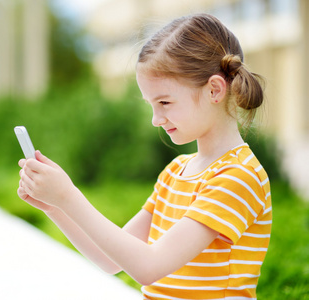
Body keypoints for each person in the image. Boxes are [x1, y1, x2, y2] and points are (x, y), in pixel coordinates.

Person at [17, 13, 271, 300]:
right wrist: (55, 207)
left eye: (164, 102)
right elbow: (111, 261)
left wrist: (68, 197)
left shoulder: (237, 176)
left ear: (214, 89)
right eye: (152, 104)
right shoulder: (176, 171)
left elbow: (149, 267)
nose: (155, 119)